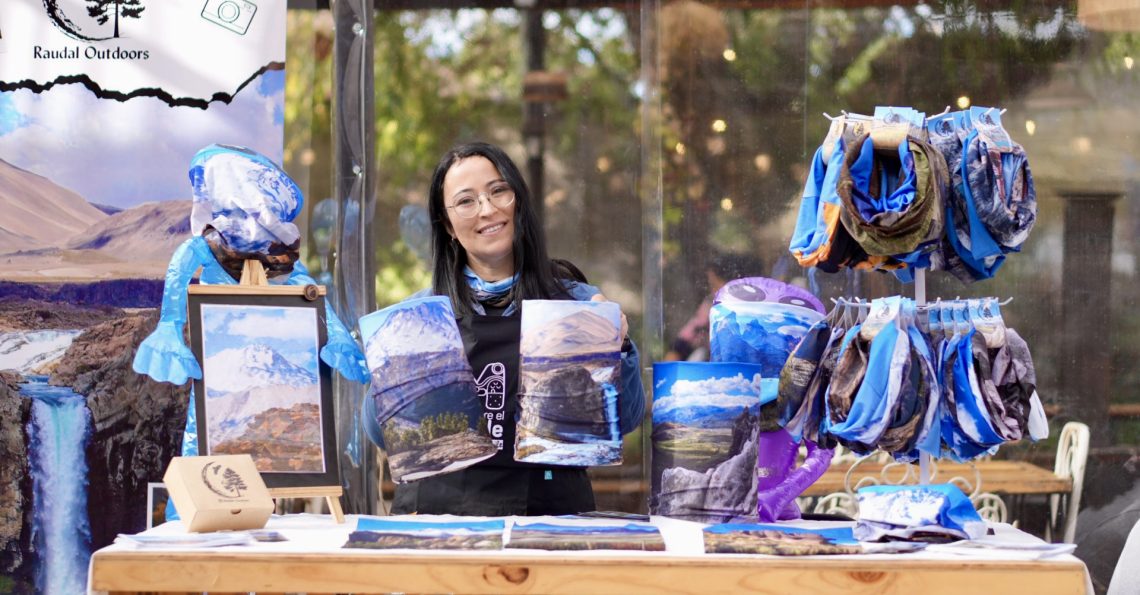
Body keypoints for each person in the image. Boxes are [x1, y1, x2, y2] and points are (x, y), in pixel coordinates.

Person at [390, 141, 646, 516]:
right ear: (447, 225)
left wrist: (615, 348)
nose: (487, 209)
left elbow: (626, 418)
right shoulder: (418, 318)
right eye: (466, 201)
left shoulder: (578, 305)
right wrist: (389, 377)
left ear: (518, 201)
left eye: (498, 191)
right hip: (439, 521)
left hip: (548, 519)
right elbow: (383, 434)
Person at [664, 252, 763, 361]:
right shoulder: (710, 305)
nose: (713, 292)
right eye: (711, 286)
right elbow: (687, 338)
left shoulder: (753, 311)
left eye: (714, 285)